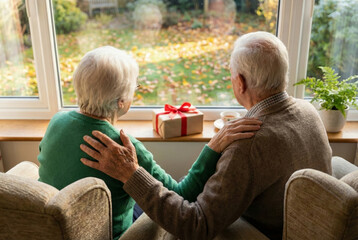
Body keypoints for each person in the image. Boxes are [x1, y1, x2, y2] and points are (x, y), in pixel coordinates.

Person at [80, 32, 333, 240]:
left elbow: (195, 225)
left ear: (240, 83)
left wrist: (131, 174)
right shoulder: (309, 111)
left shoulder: (249, 143)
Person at [37, 46, 262, 239]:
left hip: (57, 229)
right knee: (157, 203)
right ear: (122, 102)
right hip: (109, 234)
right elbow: (181, 195)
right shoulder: (125, 149)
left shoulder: (56, 121)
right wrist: (213, 147)